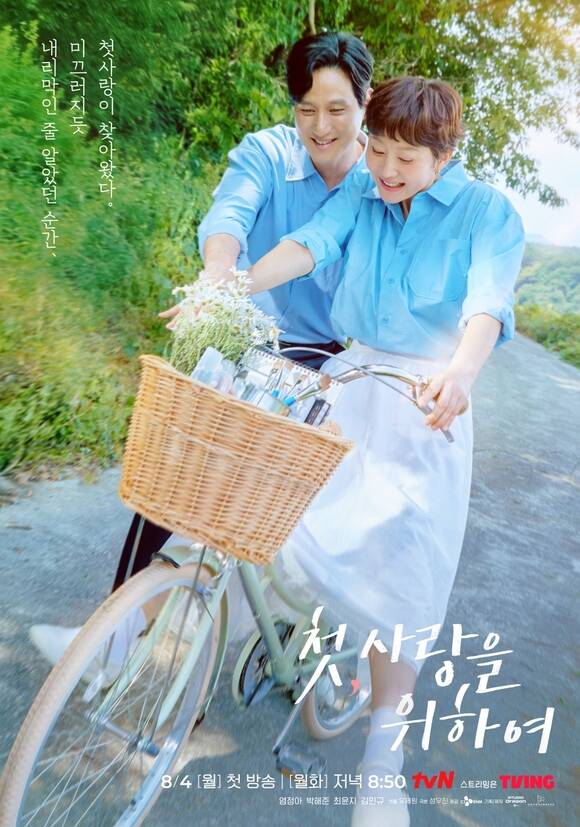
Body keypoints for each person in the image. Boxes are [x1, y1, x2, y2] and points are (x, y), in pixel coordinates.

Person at [221, 76, 525, 825]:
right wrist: (231, 289)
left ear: (445, 156)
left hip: (426, 396)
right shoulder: (362, 189)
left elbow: (487, 304)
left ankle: (382, 762)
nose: (385, 170)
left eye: (405, 160)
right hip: (351, 375)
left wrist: (460, 373)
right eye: (379, 150)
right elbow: (310, 244)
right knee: (267, 499)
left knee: (402, 570)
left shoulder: (487, 212)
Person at [29, 32, 374, 669]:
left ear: (365, 102)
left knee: (275, 495)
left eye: (336, 109)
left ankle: (251, 614)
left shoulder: (379, 177)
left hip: (326, 353)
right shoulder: (269, 151)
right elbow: (229, 216)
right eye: (306, 109)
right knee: (180, 451)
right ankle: (110, 642)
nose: (320, 127)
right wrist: (218, 279)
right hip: (249, 329)